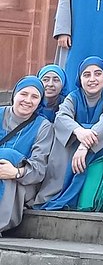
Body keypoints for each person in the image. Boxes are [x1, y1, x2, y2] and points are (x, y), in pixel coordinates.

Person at [34, 57, 103, 209]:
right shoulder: (74, 96)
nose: (92, 79)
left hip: (100, 145)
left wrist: (84, 146)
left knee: (72, 142)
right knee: (60, 140)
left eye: (97, 74)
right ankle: (54, 193)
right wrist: (79, 131)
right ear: (80, 78)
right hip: (76, 141)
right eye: (86, 75)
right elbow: (61, 116)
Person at [0, 77, 54, 235]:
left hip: (24, 180)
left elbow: (39, 168)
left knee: (7, 160)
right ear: (15, 95)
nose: (28, 100)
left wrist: (16, 172)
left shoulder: (43, 127)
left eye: (35, 97)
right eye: (24, 94)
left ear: (40, 102)